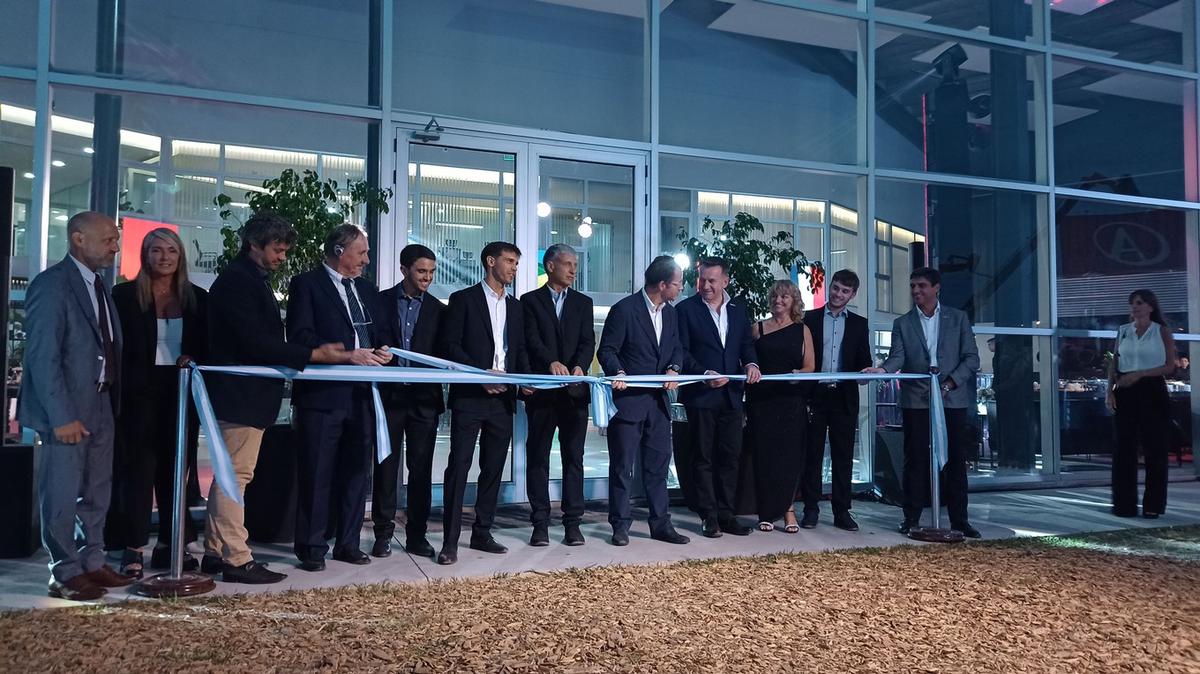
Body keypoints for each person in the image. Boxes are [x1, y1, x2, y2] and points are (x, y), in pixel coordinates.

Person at [202, 211, 347, 584]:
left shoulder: (249, 278)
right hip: (240, 396)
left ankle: (216, 551)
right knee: (235, 475)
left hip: (245, 396)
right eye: (277, 250)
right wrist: (312, 354)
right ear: (254, 245)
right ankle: (237, 558)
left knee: (232, 474)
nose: (282, 257)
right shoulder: (238, 282)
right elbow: (254, 342)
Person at [19, 211, 132, 600]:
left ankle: (92, 561)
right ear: (78, 238)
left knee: (97, 490)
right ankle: (64, 571)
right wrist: (61, 416)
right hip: (68, 408)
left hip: (102, 402)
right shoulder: (52, 285)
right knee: (62, 491)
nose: (115, 248)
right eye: (108, 240)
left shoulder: (100, 286)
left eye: (116, 240)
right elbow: (43, 356)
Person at [286, 224, 392, 572]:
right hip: (323, 396)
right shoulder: (307, 285)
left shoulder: (367, 289)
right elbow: (300, 337)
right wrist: (348, 356)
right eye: (362, 252)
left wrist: (383, 350)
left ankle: (348, 543)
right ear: (338, 251)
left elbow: (380, 332)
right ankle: (312, 547)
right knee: (317, 472)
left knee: (357, 473)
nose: (367, 259)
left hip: (363, 395)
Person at [105, 227, 208, 577]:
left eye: (171, 250)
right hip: (137, 398)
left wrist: (193, 358)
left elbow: (207, 346)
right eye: (156, 250)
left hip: (181, 395)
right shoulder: (123, 295)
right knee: (138, 472)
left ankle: (170, 545)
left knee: (176, 473)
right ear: (145, 255)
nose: (164, 257)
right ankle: (133, 548)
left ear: (181, 257)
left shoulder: (198, 298)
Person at [865, 267, 981, 539]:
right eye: (913, 286)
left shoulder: (958, 318)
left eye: (921, 286)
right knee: (915, 459)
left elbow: (972, 358)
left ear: (936, 288)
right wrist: (882, 370)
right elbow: (897, 357)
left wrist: (949, 384)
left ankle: (960, 521)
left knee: (955, 460)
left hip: (951, 400)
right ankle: (911, 519)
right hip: (916, 400)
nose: (916, 291)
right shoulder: (903, 323)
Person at [437, 241, 530, 565]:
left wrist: (523, 381)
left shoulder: (516, 307)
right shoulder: (463, 300)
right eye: (510, 261)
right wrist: (480, 376)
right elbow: (449, 346)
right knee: (459, 467)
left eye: (516, 263)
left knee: (493, 469)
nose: (514, 268)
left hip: (503, 399)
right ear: (490, 261)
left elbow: (518, 350)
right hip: (470, 398)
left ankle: (482, 533)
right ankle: (450, 542)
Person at [597, 255, 690, 547]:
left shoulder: (671, 314)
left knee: (659, 467)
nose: (681, 288)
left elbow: (677, 347)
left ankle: (661, 524)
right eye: (677, 283)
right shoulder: (624, 310)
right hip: (628, 403)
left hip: (659, 405)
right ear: (662, 284)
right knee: (622, 467)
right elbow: (607, 350)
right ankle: (620, 525)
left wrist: (674, 368)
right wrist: (618, 372)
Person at [676, 257, 760, 538]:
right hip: (701, 395)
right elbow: (681, 352)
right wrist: (703, 373)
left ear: (725, 281)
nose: (705, 286)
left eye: (712, 280)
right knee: (703, 457)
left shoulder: (738, 310)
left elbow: (745, 345)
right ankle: (708, 516)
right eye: (702, 280)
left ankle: (727, 514)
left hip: (732, 396)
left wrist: (752, 364)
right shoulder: (685, 310)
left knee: (730, 457)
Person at [372, 244, 445, 559]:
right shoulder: (379, 302)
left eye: (431, 272)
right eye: (421, 271)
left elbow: (443, 353)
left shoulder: (439, 310)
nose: (427, 278)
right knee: (385, 468)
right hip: (389, 398)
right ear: (404, 270)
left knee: (421, 470)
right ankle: (382, 534)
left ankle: (417, 535)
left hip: (423, 401)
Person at [521, 244, 595, 547]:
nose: (573, 270)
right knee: (537, 457)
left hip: (574, 394)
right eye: (567, 264)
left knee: (573, 458)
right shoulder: (529, 301)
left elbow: (588, 341)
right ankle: (540, 523)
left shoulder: (583, 302)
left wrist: (579, 365)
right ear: (550, 266)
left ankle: (572, 524)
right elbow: (529, 339)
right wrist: (549, 362)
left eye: (575, 265)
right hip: (542, 392)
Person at [802, 269, 871, 531]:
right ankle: (811, 509)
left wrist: (866, 372)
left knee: (843, 456)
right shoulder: (809, 318)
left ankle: (842, 511)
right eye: (835, 288)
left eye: (845, 291)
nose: (838, 294)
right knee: (812, 454)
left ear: (853, 295)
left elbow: (863, 359)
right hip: (815, 395)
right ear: (829, 286)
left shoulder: (859, 324)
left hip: (844, 395)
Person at [746, 280, 814, 533]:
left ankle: (788, 510)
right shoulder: (757, 328)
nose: (778, 300)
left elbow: (810, 366)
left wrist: (798, 374)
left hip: (791, 402)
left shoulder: (802, 330)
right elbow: (746, 359)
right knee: (764, 456)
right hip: (762, 402)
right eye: (775, 296)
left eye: (784, 296)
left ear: (793, 300)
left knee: (789, 457)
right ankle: (765, 512)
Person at [1106, 289, 1177, 519]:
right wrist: (1110, 391)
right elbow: (1114, 363)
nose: (1134, 307)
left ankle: (1153, 505)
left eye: (1139, 303)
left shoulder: (1161, 331)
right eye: (1132, 303)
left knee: (1154, 448)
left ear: (1150, 307)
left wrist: (1140, 374)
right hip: (1125, 389)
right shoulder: (1123, 331)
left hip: (1152, 390)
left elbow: (1169, 365)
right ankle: (1123, 505)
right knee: (1123, 449)